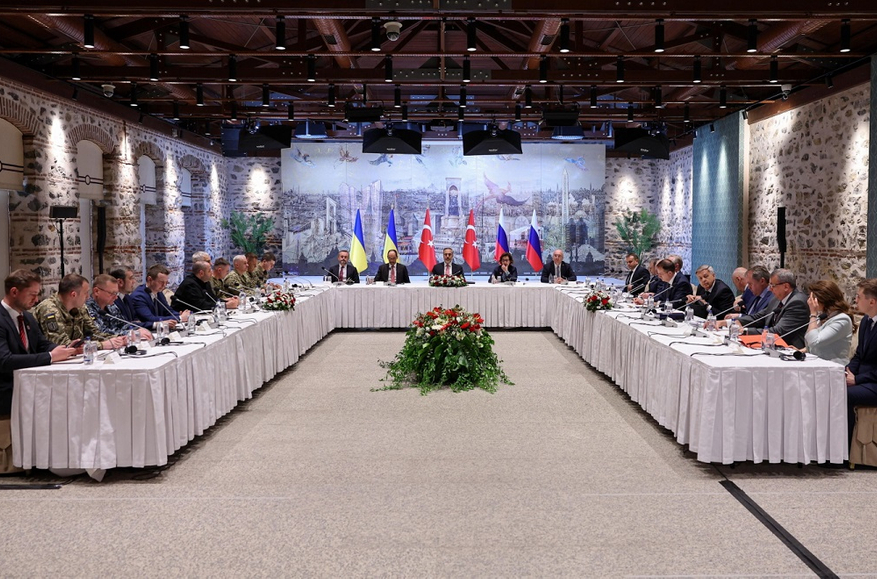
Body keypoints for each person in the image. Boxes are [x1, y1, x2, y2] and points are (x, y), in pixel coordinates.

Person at [0, 270, 77, 472]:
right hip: (6, 387)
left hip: (29, 384)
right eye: (32, 295)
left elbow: (42, 344)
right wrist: (51, 357)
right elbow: (4, 360)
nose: (36, 299)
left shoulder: (27, 317)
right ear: (14, 291)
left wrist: (65, 350)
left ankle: (63, 455)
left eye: (38, 294)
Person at [33, 274, 126, 350]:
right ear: (73, 294)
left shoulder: (80, 308)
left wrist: (119, 338)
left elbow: (93, 333)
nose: (88, 297)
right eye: (85, 293)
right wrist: (101, 345)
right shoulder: (49, 309)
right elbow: (61, 344)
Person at [738, 268, 809, 349]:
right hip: (773, 346)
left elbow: (778, 331)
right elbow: (759, 317)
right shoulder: (776, 299)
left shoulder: (797, 303)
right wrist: (735, 322)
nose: (770, 289)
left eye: (773, 286)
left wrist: (746, 331)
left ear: (786, 286)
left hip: (791, 350)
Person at [846, 279, 877, 446]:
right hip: (864, 378)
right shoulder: (866, 320)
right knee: (832, 386)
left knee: (844, 395)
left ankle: (845, 451)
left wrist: (857, 380)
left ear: (872, 301)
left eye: (858, 297)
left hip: (873, 382)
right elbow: (859, 355)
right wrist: (847, 372)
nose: (855, 300)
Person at [802, 279, 855, 365]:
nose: (810, 302)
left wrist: (813, 314)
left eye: (813, 298)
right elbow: (815, 340)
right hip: (818, 364)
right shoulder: (824, 315)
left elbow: (815, 342)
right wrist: (802, 350)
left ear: (823, 299)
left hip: (834, 366)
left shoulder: (842, 319)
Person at [86, 274, 152, 340]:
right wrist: (130, 333)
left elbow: (122, 324)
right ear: (96, 291)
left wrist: (138, 329)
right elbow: (101, 333)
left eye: (116, 293)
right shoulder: (87, 309)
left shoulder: (111, 306)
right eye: (112, 293)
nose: (116, 297)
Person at [130, 264, 191, 329]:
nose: (164, 285)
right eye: (161, 282)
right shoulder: (138, 296)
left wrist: (182, 315)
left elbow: (168, 311)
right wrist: (180, 318)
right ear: (149, 279)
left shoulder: (159, 293)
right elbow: (149, 318)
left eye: (166, 282)